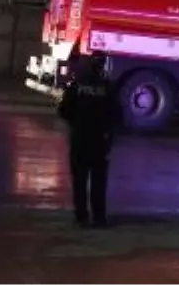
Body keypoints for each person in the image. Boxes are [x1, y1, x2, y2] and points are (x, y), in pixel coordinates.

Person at [57, 52, 119, 227]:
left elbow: (64, 111)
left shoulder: (76, 86)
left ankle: (81, 218)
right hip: (100, 142)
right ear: (103, 67)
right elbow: (117, 115)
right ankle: (99, 218)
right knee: (99, 182)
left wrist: (77, 123)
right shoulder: (108, 87)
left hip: (80, 140)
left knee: (79, 181)